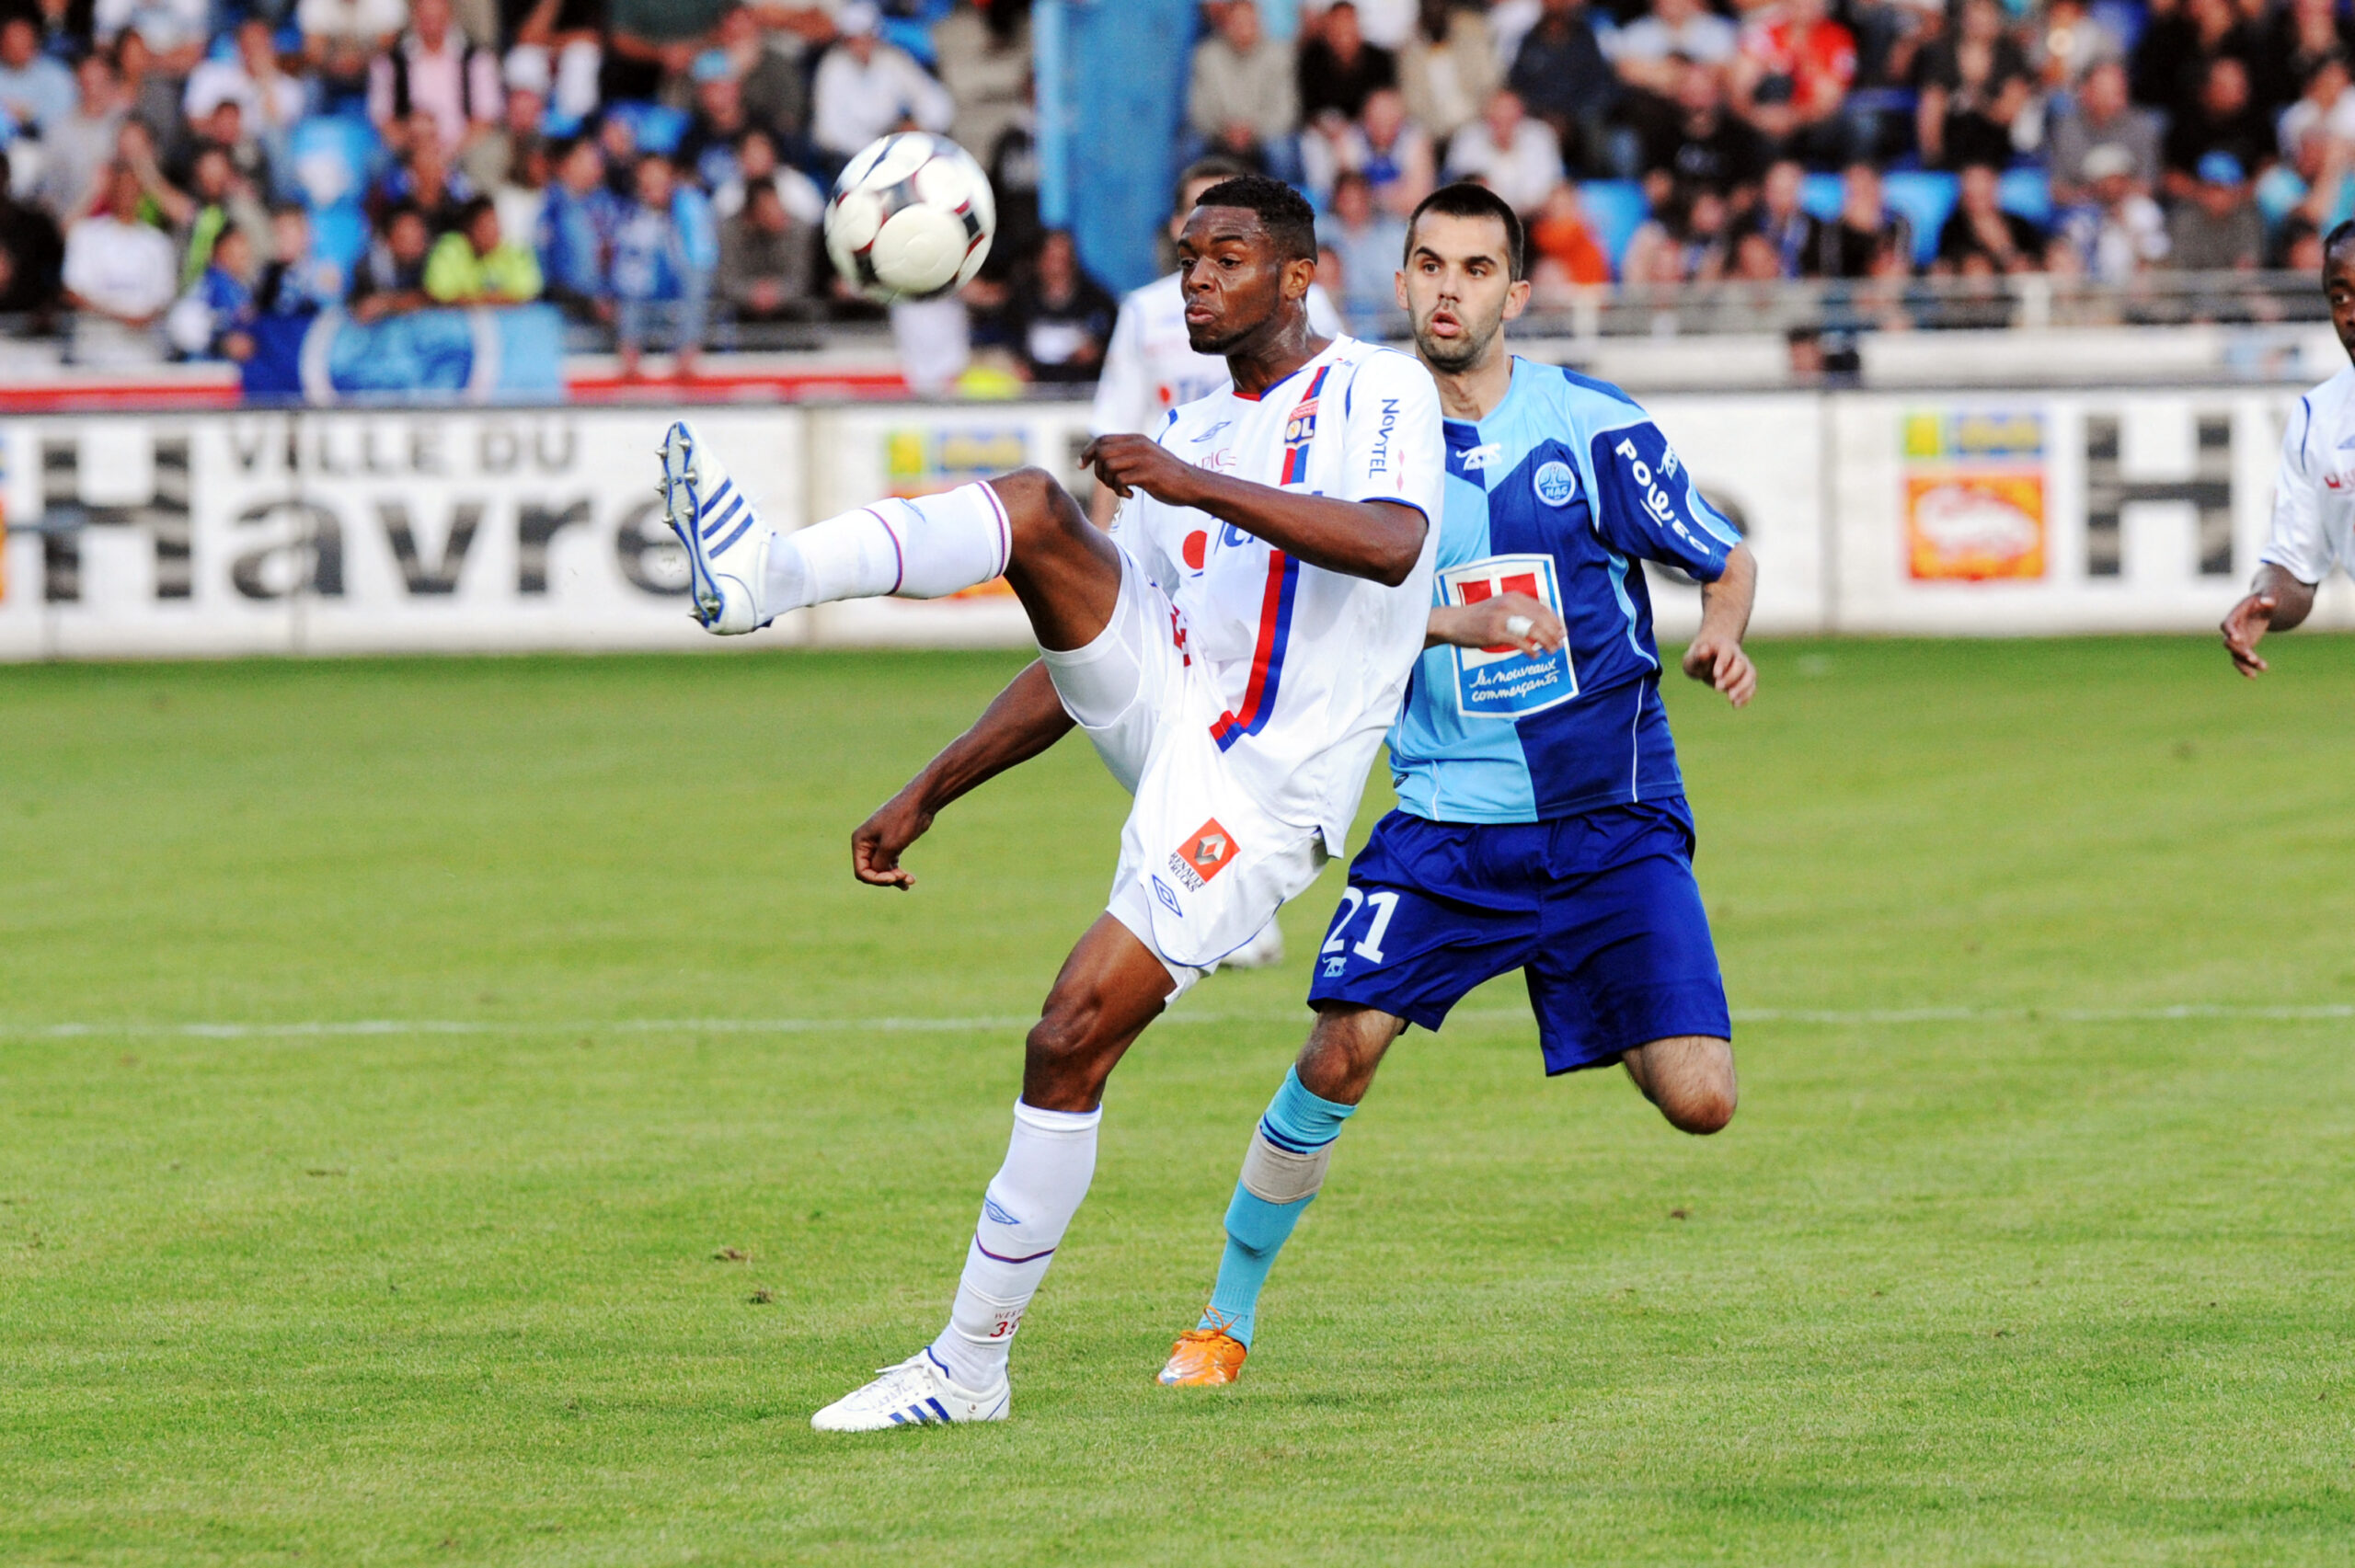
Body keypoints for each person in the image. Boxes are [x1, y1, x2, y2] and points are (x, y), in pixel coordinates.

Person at [650, 175, 1442, 1431]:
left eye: (1228, 257)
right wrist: (929, 790)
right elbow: (1098, 643)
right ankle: (765, 578)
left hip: (1262, 788)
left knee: (1071, 1031)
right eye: (1188, 257)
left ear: (1298, 277)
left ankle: (968, 1367)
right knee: (1035, 511)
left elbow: (1393, 541)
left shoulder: (1373, 388)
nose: (1198, 279)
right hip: (1170, 716)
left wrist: (1186, 482)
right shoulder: (1195, 424)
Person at [1155, 181, 1753, 1387]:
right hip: (1445, 820)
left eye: (1476, 269)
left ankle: (1594, 990)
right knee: (1337, 1055)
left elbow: (1720, 555)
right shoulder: (1363, 438)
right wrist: (1450, 629)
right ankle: (1223, 1320)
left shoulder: (1589, 426)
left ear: (1514, 293)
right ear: (1400, 281)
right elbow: (1322, 606)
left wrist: (1722, 630)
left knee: (1702, 1099)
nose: (1447, 288)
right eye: (1429, 264)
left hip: (1610, 822)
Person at [2222, 220, 2355, 677]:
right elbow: (2296, 568)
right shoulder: (2318, 417)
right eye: (2339, 297)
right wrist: (2266, 601)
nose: (2351, 312)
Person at [610, 151, 715, 380]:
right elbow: (627, 275)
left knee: (696, 278)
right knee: (630, 282)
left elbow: (700, 264)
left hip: (681, 299)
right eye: (646, 177)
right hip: (646, 302)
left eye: (659, 175)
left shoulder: (690, 207)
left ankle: (688, 349)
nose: (653, 182)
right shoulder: (632, 215)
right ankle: (630, 351)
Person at [809, 2, 952, 166]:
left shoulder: (890, 59)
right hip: (852, 157)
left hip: (895, 146)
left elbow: (932, 97)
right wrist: (879, 146)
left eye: (866, 37)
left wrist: (920, 125)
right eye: (855, 40)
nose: (861, 45)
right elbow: (830, 132)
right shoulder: (832, 69)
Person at [1188, 0, 1299, 175]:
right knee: (1190, 146)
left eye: (1250, 22)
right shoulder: (1206, 55)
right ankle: (1191, 201)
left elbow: (1285, 111)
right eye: (1238, 22)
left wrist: (1253, 130)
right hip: (1219, 133)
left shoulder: (1279, 55)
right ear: (1226, 24)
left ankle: (1283, 202)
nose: (1244, 28)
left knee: (1281, 150)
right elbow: (1198, 110)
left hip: (1262, 133)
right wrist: (1225, 129)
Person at [2046, 58, 2160, 208]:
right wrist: (2094, 193)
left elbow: (2148, 186)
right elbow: (2057, 190)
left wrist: (2116, 193)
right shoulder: (2066, 128)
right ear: (2086, 92)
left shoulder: (2142, 126)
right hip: (2081, 208)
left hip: (2129, 207)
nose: (2119, 99)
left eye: (2120, 91)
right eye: (2109, 91)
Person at [1442, 86, 1566, 214]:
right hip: (1485, 216)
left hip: (1537, 216)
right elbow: (1462, 190)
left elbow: (1551, 186)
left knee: (1562, 202)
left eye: (1509, 116)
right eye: (1497, 117)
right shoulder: (1467, 139)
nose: (1504, 122)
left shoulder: (1541, 135)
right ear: (1485, 114)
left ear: (1521, 114)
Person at [1316, 167, 1409, 325]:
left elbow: (1402, 289)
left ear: (1369, 199)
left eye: (1358, 199)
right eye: (1347, 199)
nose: (1354, 206)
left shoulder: (1394, 235)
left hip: (1388, 324)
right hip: (1333, 322)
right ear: (1336, 201)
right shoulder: (1319, 232)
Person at [715, 176, 810, 324]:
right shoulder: (729, 232)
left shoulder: (797, 229)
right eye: (768, 211)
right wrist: (752, 293)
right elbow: (726, 281)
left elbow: (800, 279)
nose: (777, 214)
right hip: (742, 314)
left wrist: (776, 293)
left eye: (777, 205)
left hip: (790, 313)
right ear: (752, 214)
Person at [425, 194, 544, 303]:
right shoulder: (449, 248)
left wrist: (477, 299)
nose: (493, 233)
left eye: (495, 225)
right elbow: (438, 292)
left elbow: (526, 291)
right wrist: (491, 298)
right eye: (485, 227)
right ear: (468, 229)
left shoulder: (515, 251)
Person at [165, 221, 258, 359]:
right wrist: (219, 343)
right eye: (234, 247)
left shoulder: (242, 288)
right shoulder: (208, 285)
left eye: (244, 246)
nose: (242, 253)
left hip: (232, 372)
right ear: (217, 250)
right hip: (205, 369)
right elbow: (181, 326)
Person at [1932, 159, 2040, 274]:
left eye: (1983, 182)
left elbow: (2036, 255)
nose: (1977, 188)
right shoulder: (1953, 229)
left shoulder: (2019, 224)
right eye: (1971, 183)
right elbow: (1949, 261)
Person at [350, 202, 437, 322]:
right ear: (389, 240)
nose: (414, 245)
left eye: (418, 238)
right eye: (405, 238)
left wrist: (390, 303)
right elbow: (364, 308)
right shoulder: (366, 267)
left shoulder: (432, 256)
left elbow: (435, 298)